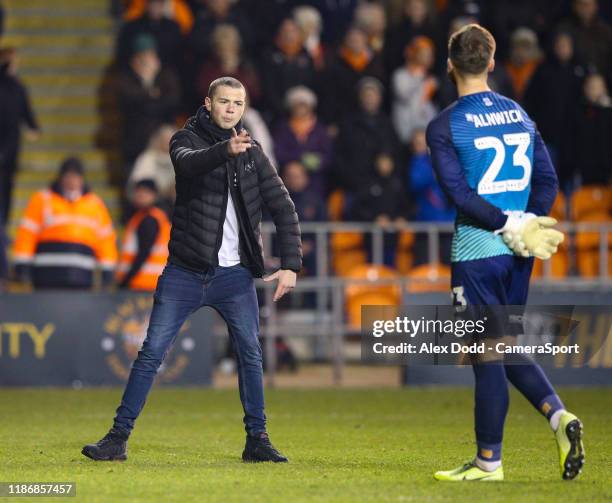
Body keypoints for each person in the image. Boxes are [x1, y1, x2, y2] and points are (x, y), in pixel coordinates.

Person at [82, 76, 302, 463]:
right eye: (225, 102)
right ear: (208, 103)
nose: (232, 109)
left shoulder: (252, 151)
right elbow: (188, 165)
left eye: (238, 103)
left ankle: (258, 439)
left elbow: (283, 208)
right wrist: (225, 150)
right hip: (185, 272)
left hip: (234, 276)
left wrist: (291, 265)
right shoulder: (184, 140)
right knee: (150, 352)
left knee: (251, 353)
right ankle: (117, 438)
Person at [425, 24, 582, 482]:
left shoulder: (444, 124)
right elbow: (548, 181)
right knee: (503, 347)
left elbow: (457, 192)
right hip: (519, 253)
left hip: (477, 250)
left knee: (484, 353)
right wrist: (527, 223)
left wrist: (505, 223)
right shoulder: (519, 112)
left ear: (450, 64)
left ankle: (488, 462)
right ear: (493, 62)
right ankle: (559, 417)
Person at [12, 157, 117, 290]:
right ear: (61, 178)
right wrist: (22, 264)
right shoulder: (43, 200)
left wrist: (107, 269)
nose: (72, 181)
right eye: (68, 176)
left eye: (75, 177)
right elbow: (27, 234)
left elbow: (105, 239)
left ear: (82, 179)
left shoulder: (95, 204)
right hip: (46, 276)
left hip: (81, 277)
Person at [117, 34, 181, 167]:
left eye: (149, 57)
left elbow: (172, 102)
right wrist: (150, 88)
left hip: (163, 146)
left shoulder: (166, 76)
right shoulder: (125, 80)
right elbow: (131, 105)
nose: (146, 62)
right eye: (142, 58)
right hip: (136, 145)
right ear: (134, 61)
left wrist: (148, 96)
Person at [0, 47, 41, 223]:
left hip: (11, 145)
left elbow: (25, 109)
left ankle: (3, 223)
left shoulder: (17, 86)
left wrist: (33, 127)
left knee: (7, 186)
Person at [272, 86, 332, 196]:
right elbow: (278, 152)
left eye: (303, 105)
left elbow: (328, 156)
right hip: (289, 179)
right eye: (296, 105)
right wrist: (300, 159)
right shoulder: (282, 128)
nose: (300, 108)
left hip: (315, 182)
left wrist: (317, 162)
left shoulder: (319, 129)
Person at [116, 179, 171, 291]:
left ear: (154, 196)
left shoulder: (149, 220)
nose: (141, 195)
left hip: (143, 284)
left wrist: (125, 281)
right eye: (138, 191)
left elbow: (143, 253)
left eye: (146, 192)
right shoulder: (148, 217)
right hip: (152, 283)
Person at [391, 36, 438, 145]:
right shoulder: (400, 75)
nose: (428, 57)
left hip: (425, 131)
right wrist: (418, 78)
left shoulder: (430, 78)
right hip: (405, 131)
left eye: (429, 54)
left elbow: (428, 105)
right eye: (424, 53)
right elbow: (403, 95)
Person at [116, 0, 184, 69]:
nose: (155, 7)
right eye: (152, 4)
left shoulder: (172, 27)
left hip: (166, 69)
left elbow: (178, 52)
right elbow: (124, 52)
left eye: (158, 4)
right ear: (146, 4)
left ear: (163, 6)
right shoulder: (133, 26)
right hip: (138, 69)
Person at [128, 123, 177, 210]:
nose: (168, 142)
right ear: (159, 140)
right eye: (165, 139)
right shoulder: (147, 158)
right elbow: (142, 185)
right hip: (149, 206)